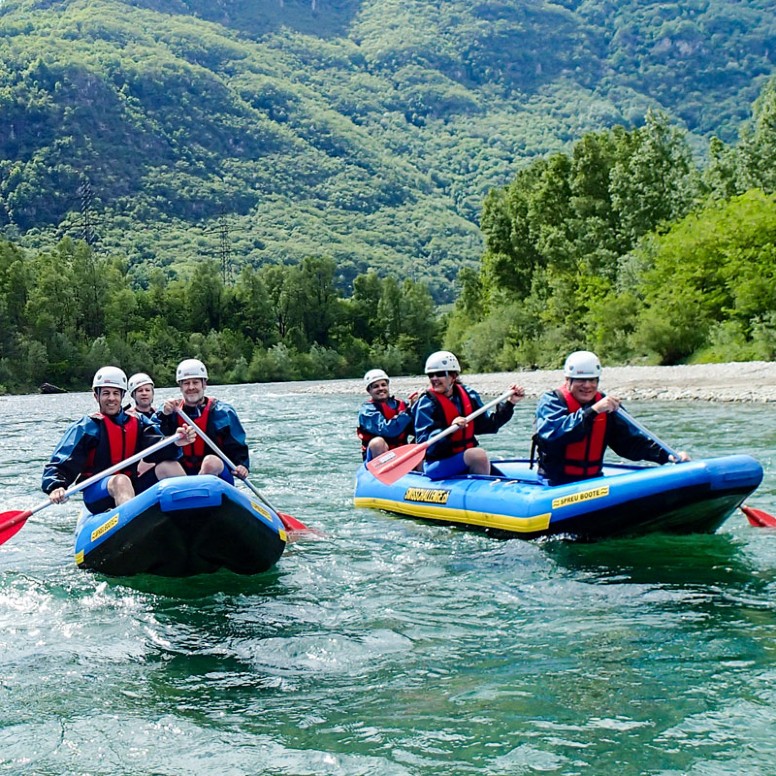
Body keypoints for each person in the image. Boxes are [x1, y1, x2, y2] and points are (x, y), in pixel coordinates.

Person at [42, 367, 195, 513]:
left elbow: (155, 447)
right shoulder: (87, 427)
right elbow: (63, 461)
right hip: (98, 493)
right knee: (120, 481)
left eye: (116, 393)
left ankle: (193, 513)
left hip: (133, 485)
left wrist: (175, 443)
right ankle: (132, 530)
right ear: (96, 396)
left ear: (122, 396)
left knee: (170, 466)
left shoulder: (138, 421)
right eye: (106, 393)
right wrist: (56, 485)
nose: (111, 398)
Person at [533, 350, 689, 486]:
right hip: (555, 482)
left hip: (592, 480)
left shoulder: (606, 406)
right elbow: (554, 434)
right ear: (568, 380)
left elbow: (631, 443)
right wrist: (593, 411)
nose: (587, 385)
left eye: (592, 380)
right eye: (581, 380)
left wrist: (667, 455)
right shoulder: (552, 401)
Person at [412, 350, 525, 478]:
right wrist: (450, 430)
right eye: (431, 375)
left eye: (439, 374)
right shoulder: (426, 403)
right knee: (477, 455)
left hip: (463, 460)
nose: (434, 379)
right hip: (437, 463)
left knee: (503, 478)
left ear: (453, 376)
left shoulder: (468, 395)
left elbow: (489, 426)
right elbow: (425, 444)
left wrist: (510, 403)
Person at [156, 358, 249, 482]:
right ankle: (191, 494)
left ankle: (197, 491)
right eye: (186, 383)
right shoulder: (169, 411)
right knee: (163, 467)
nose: (191, 387)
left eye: (195, 382)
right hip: (183, 476)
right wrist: (164, 415)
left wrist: (241, 464)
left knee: (211, 462)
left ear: (204, 384)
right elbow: (152, 438)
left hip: (216, 474)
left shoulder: (223, 412)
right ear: (180, 386)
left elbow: (237, 446)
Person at [357, 368, 417, 461]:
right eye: (376, 386)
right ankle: (382, 473)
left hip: (402, 452)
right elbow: (388, 431)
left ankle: (422, 470)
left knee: (425, 434)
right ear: (369, 390)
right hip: (379, 457)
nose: (381, 388)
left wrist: (417, 408)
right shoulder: (367, 411)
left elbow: (415, 428)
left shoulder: (400, 404)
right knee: (377, 443)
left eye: (383, 385)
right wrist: (408, 412)